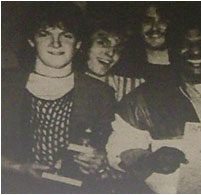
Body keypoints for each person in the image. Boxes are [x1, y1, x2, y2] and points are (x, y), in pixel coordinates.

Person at [106, 18, 201, 193]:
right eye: (185, 44)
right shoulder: (146, 96)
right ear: (172, 49)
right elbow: (118, 151)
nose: (196, 51)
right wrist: (151, 160)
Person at [1, 2, 115, 193]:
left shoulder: (100, 93)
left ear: (78, 44)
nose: (56, 43)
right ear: (31, 41)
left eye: (66, 36)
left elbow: (113, 152)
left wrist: (100, 161)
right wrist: (17, 167)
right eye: (45, 34)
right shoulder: (5, 85)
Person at [82, 18, 145, 101]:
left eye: (118, 48)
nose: (111, 53)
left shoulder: (132, 88)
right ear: (85, 45)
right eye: (103, 43)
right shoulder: (65, 83)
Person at [114, 2, 177, 84]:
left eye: (162, 21)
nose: (154, 27)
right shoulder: (123, 65)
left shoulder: (186, 62)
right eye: (147, 21)